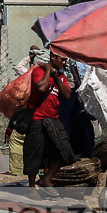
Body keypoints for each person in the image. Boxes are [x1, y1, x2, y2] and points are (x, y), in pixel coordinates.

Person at [24, 50, 74, 197]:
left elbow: (67, 94)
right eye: (62, 60)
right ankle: (32, 188)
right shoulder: (39, 71)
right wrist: (47, 71)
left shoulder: (61, 75)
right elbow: (40, 87)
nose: (64, 63)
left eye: (65, 61)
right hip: (37, 118)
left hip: (53, 118)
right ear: (53, 57)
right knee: (34, 153)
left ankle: (47, 179)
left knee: (64, 151)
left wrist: (57, 77)